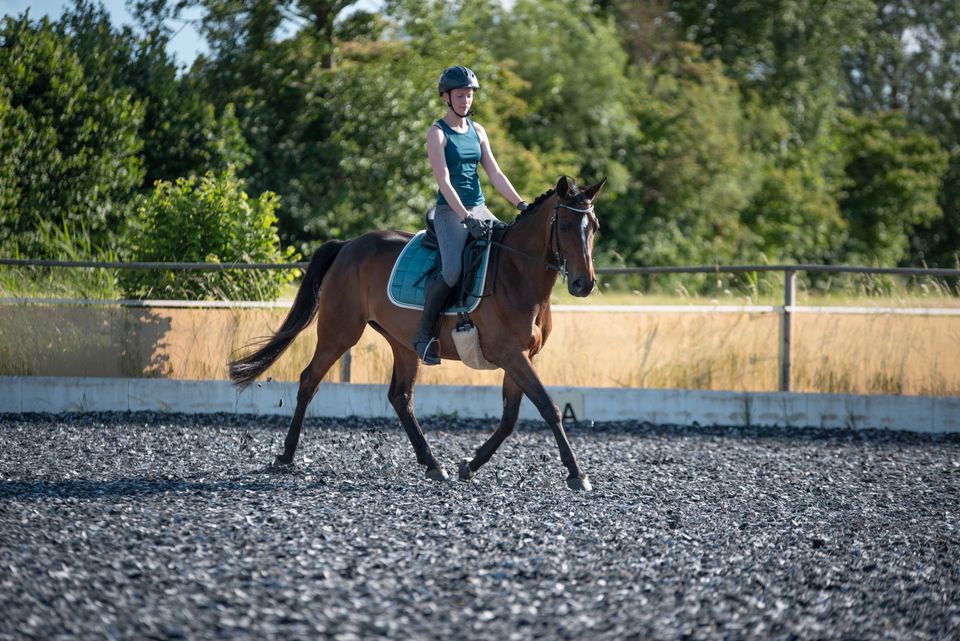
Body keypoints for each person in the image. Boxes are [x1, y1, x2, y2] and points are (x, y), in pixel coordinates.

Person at [412, 65, 529, 365]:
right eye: (460, 95)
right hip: (450, 213)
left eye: (470, 95)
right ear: (446, 97)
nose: (466, 101)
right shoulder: (437, 133)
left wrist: (520, 204)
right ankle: (424, 336)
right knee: (451, 271)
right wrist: (465, 217)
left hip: (480, 208)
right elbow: (444, 181)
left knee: (508, 250)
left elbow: (496, 173)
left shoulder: (478, 131)